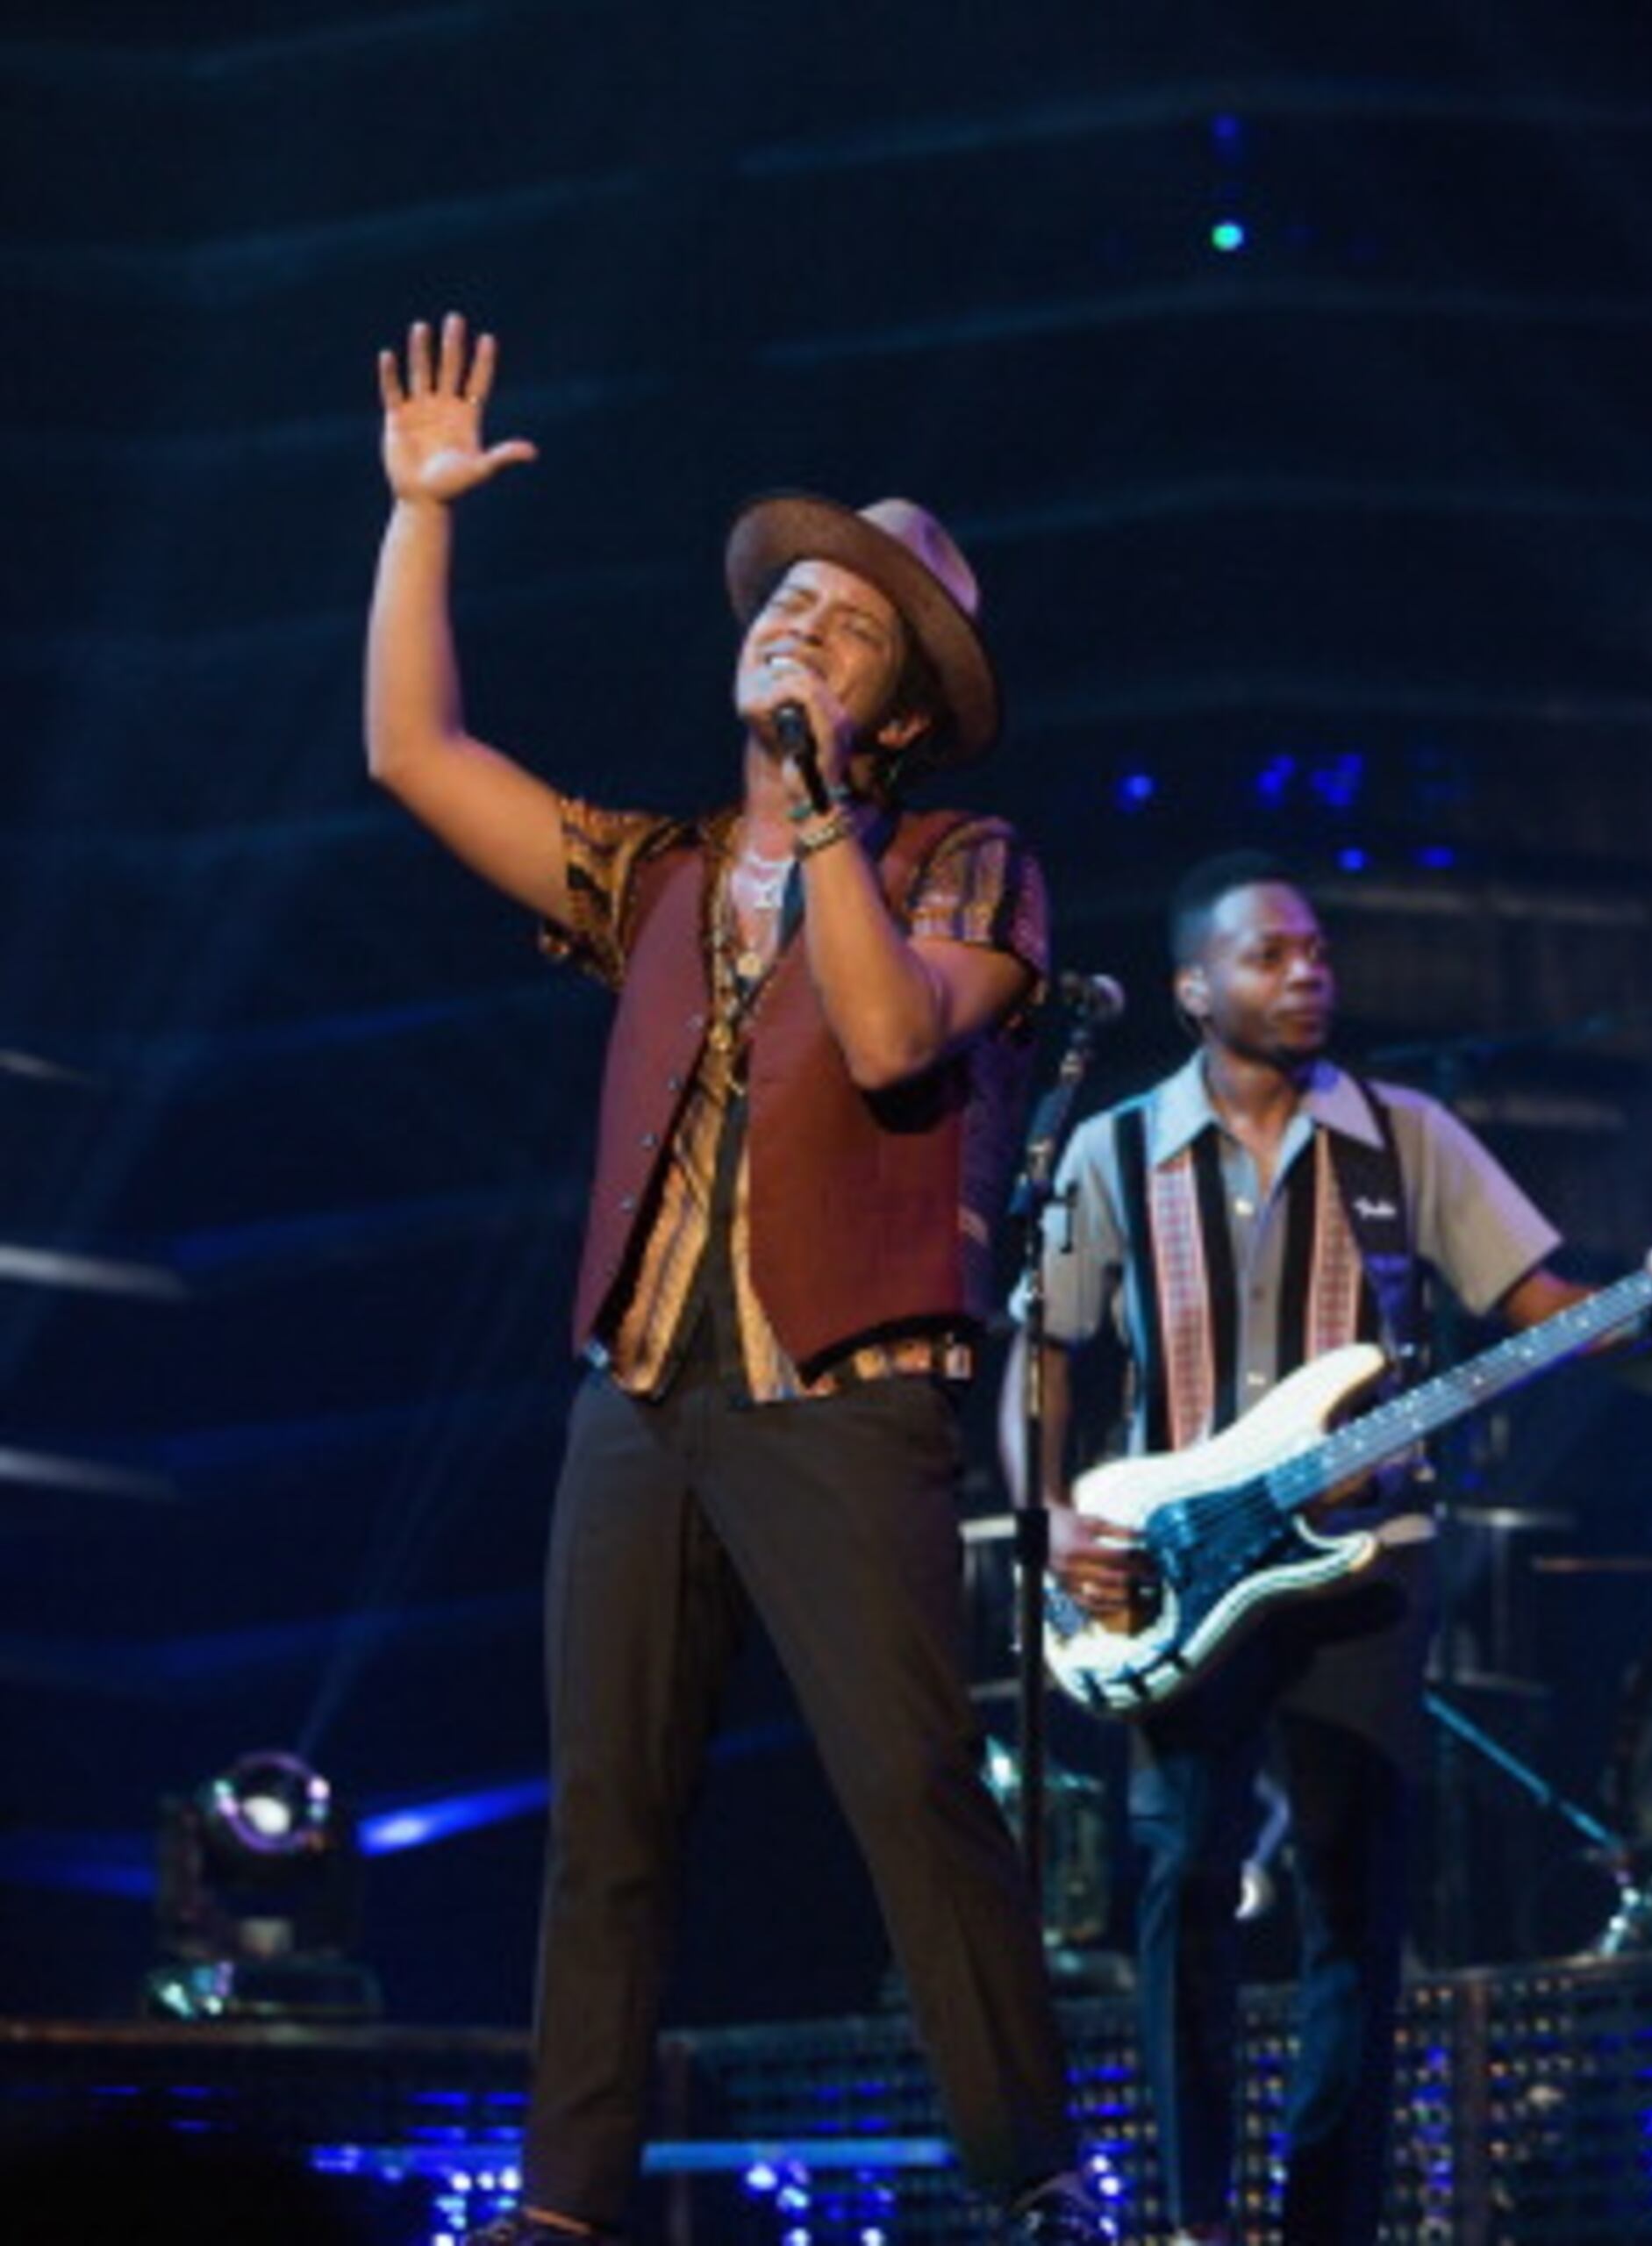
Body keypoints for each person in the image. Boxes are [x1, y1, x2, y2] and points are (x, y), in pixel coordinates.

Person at [364, 314, 1107, 2245]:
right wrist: (422, 517)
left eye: (845, 630)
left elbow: (887, 1037)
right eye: (788, 603)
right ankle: (564, 2207)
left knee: (913, 1790)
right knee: (606, 1820)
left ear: (900, 716)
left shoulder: (967, 862)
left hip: (843, 1391)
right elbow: (414, 753)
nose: (797, 626)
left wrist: (823, 806)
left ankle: (1035, 2179)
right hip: (641, 1390)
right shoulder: (660, 874)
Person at [1003, 851, 1652, 2243]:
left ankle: (1325, 2227)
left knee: (1356, 1910)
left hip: (1365, 1561)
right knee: (1181, 1884)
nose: (1308, 974)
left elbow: (1538, 1304)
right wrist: (1049, 1518)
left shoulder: (1408, 1139)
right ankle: (1195, 2219)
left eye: (1318, 952)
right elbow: (1041, 1349)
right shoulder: (1109, 1150)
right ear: (1192, 987)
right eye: (1270, 955)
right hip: (1172, 1571)